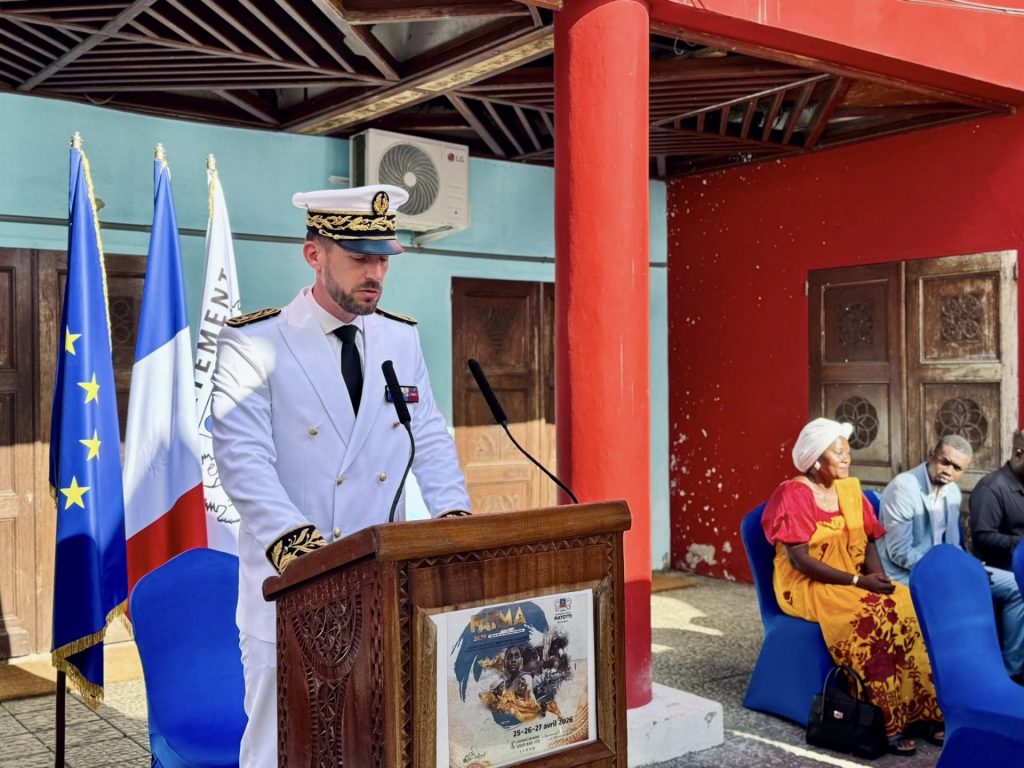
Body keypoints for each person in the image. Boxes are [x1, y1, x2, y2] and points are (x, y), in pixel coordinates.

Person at [212, 185, 470, 768]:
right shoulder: (255, 342)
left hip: (381, 585)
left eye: (383, 258)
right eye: (359, 257)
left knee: (374, 738)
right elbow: (243, 461)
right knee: (283, 747)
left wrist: (454, 522)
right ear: (315, 255)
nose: (376, 271)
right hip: (297, 582)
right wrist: (308, 557)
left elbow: (426, 434)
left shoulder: (399, 337)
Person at [761, 417, 941, 756]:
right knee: (871, 618)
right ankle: (885, 720)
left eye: (848, 452)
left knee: (905, 603)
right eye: (838, 453)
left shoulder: (849, 490)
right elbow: (800, 560)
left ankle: (919, 711)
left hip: (849, 579)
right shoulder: (793, 493)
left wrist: (880, 581)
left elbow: (869, 540)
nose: (847, 459)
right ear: (816, 458)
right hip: (805, 585)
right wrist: (860, 582)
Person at [880, 436, 1024, 681]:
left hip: (945, 568)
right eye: (944, 462)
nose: (948, 471)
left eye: (957, 468)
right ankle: (960, 677)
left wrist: (966, 566)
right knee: (962, 595)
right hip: (908, 574)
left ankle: (1011, 675)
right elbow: (899, 552)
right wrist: (950, 571)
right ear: (930, 455)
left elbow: (953, 545)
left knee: (1014, 586)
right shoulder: (904, 487)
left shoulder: (953, 492)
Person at [970, 429, 1024, 571]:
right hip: (1001, 566)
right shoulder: (990, 487)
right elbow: (982, 538)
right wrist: (1021, 543)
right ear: (1018, 454)